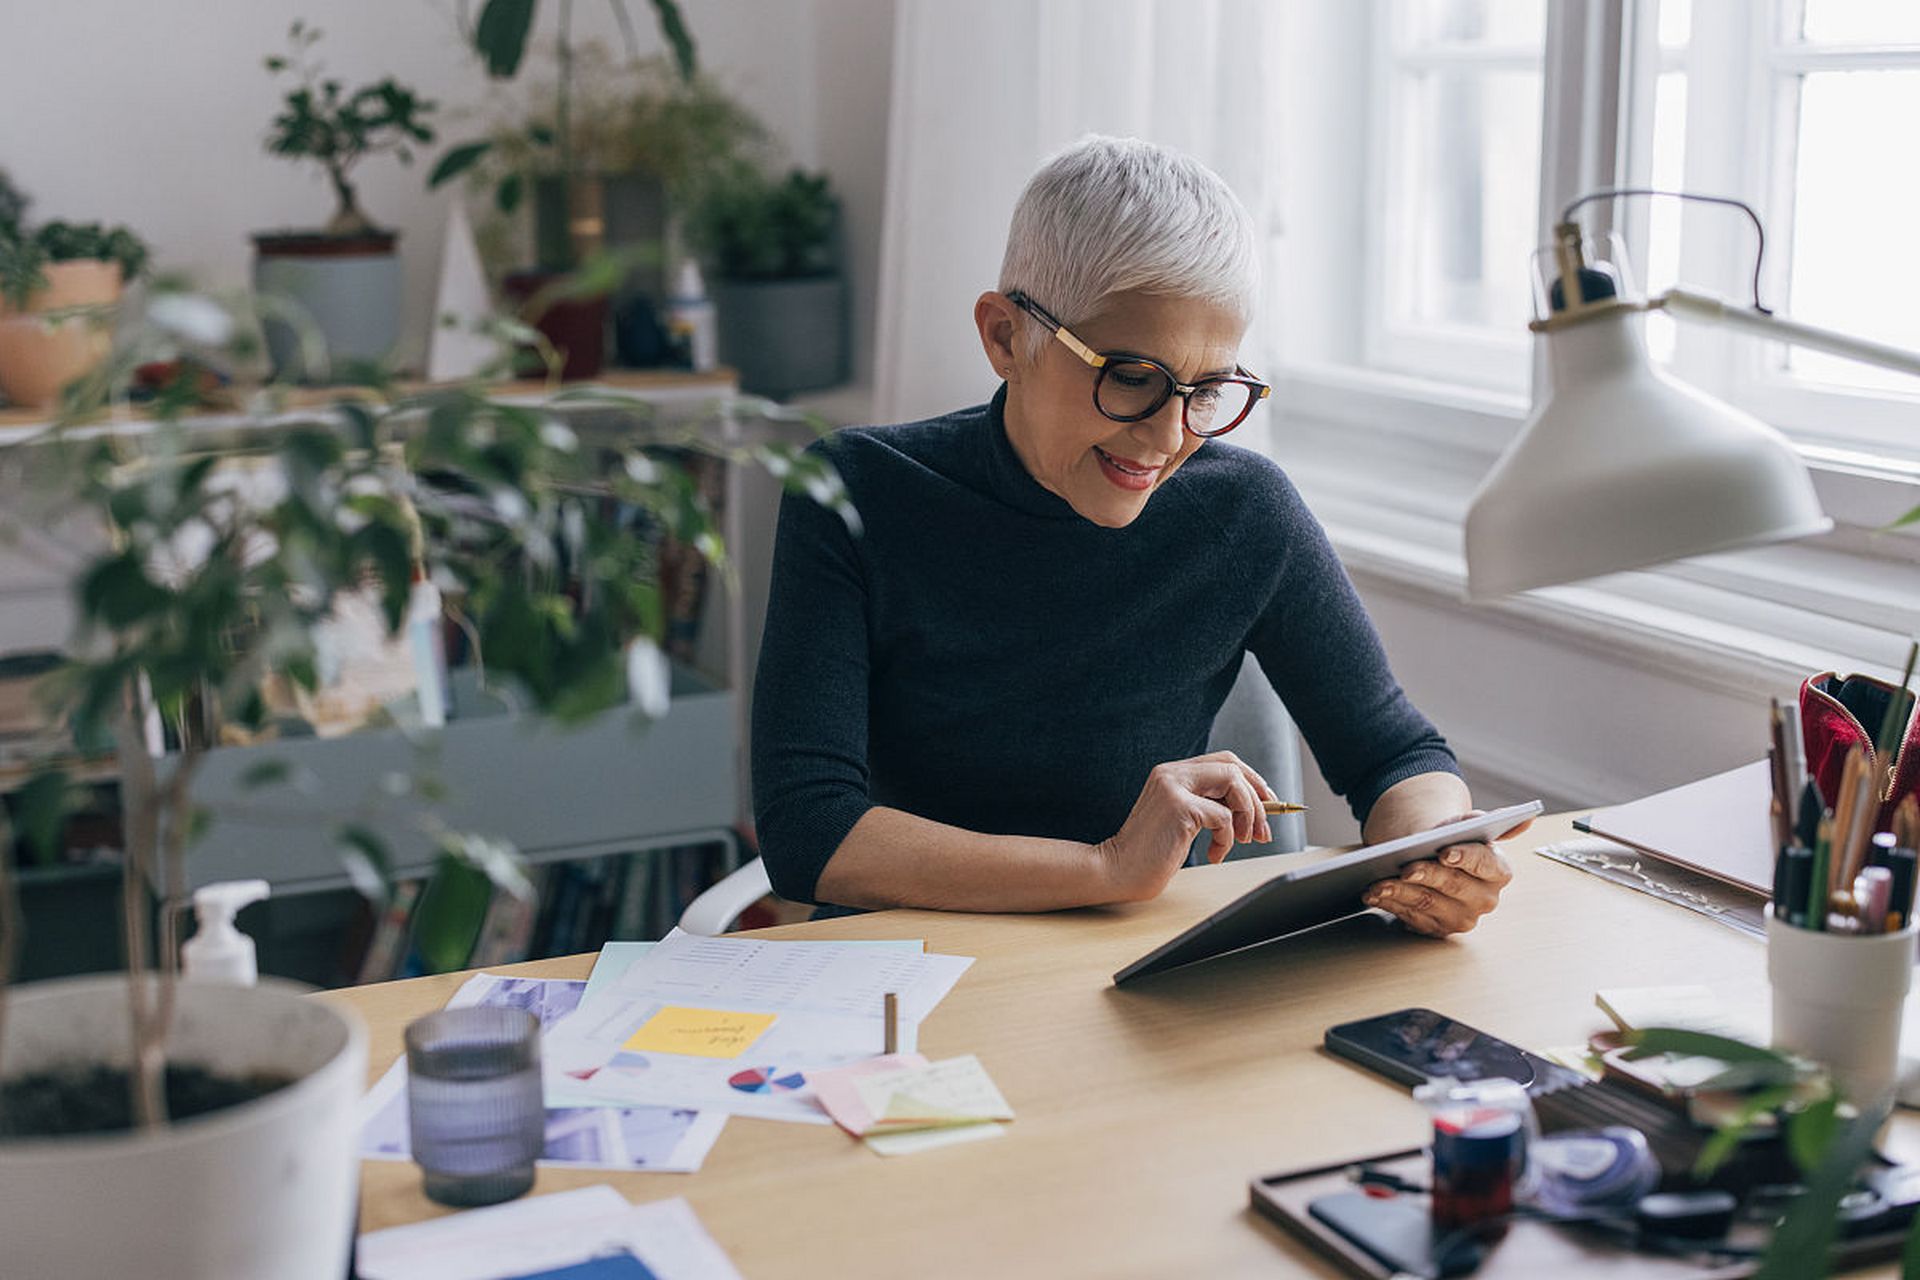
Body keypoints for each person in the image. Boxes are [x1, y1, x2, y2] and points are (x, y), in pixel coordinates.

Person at [751, 135, 1516, 936]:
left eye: (1208, 389)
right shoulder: (855, 491)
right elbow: (810, 830)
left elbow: (1396, 756)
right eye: (1130, 378)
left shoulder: (1245, 511)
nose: (1166, 437)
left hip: (1135, 972)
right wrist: (1105, 867)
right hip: (909, 962)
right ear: (1006, 337)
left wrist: (1437, 849)